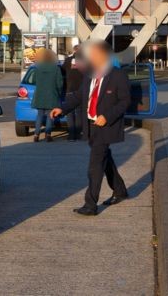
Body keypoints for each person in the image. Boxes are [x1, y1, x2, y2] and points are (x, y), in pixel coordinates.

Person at [52, 40, 130, 215]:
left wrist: (107, 116)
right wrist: (62, 108)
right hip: (91, 125)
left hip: (105, 125)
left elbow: (125, 101)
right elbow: (79, 96)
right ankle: (120, 190)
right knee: (104, 158)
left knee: (95, 165)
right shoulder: (90, 75)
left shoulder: (118, 75)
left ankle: (90, 204)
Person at [31, 48, 63, 143]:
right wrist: (59, 92)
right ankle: (48, 134)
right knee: (50, 115)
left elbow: (33, 81)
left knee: (39, 115)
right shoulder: (56, 68)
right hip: (52, 95)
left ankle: (36, 135)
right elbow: (60, 83)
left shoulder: (37, 67)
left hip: (40, 95)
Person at [62, 45, 84, 141]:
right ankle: (78, 135)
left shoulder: (67, 60)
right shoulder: (86, 60)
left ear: (74, 51)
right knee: (79, 113)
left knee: (70, 113)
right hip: (81, 91)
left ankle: (71, 136)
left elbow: (61, 71)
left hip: (69, 90)